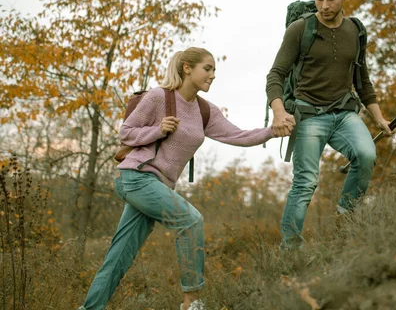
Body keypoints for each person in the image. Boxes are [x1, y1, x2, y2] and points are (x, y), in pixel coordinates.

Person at [79, 47, 284, 310]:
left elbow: (238, 136)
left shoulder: (205, 111)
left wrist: (272, 131)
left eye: (214, 71)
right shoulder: (158, 97)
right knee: (189, 220)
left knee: (119, 256)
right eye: (207, 69)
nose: (212, 75)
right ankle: (191, 302)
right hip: (136, 177)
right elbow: (126, 132)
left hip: (157, 185)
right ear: (187, 68)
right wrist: (157, 130)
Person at [266, 0, 392, 249]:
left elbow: (363, 81)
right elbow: (275, 76)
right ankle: (290, 248)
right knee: (306, 183)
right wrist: (278, 111)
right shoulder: (301, 29)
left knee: (366, 155)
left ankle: (346, 221)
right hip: (308, 115)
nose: (324, 5)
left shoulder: (355, 30)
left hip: (344, 113)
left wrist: (379, 118)